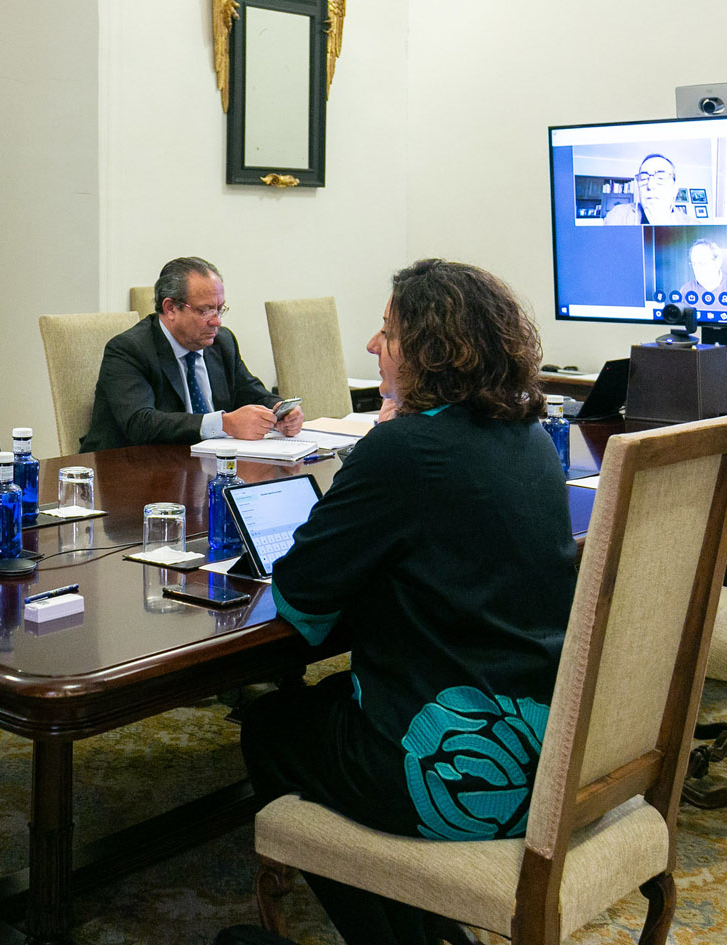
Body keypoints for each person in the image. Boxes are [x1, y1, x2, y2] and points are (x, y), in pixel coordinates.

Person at [238, 259, 578, 945]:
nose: (371, 346)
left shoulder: (403, 448)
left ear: (427, 350)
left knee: (268, 726)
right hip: (550, 753)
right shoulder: (532, 439)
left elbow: (300, 601)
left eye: (386, 334)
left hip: (454, 776)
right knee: (321, 709)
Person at [79, 256, 304, 451]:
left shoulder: (222, 343)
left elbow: (251, 393)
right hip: (130, 473)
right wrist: (224, 424)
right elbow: (141, 423)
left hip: (201, 467)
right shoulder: (129, 350)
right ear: (170, 309)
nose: (216, 321)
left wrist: (280, 410)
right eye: (204, 310)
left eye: (219, 308)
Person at [605, 153, 690, 225]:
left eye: (661, 178)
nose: (650, 185)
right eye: (643, 178)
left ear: (675, 189)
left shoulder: (692, 224)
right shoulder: (616, 215)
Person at [677, 238, 727, 311]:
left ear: (718, 262)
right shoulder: (686, 290)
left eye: (702, 263)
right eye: (694, 264)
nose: (697, 268)